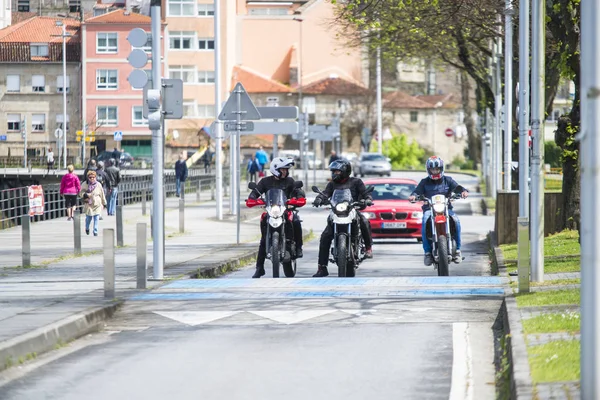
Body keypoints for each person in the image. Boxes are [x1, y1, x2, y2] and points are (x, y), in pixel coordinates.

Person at [312, 159, 374, 277]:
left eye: (337, 171)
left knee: (364, 221)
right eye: (333, 171)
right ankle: (322, 267)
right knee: (325, 237)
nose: (334, 174)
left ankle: (368, 248)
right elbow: (326, 193)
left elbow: (365, 193)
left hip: (352, 210)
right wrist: (319, 199)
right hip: (336, 212)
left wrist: (367, 199)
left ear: (345, 171)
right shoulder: (332, 184)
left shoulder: (356, 182)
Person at [247, 156, 305, 279]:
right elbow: (255, 193)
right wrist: (253, 199)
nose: (285, 171)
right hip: (271, 212)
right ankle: (259, 268)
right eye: (282, 169)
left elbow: (297, 191)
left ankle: (298, 247)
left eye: (286, 169)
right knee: (263, 239)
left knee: (295, 221)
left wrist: (299, 197)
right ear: (275, 169)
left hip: (285, 210)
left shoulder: (289, 181)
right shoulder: (265, 181)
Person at [408, 156, 469, 266]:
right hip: (430, 209)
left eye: (437, 169)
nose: (435, 171)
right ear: (428, 170)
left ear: (441, 169)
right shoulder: (424, 182)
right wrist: (413, 196)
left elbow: (458, 187)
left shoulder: (448, 180)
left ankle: (458, 250)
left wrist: (463, 191)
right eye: (432, 169)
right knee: (424, 221)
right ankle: (427, 252)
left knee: (456, 221)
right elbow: (417, 192)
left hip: (446, 209)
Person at [79, 170, 107, 236]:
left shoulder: (98, 184)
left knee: (96, 217)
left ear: (95, 177)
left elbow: (102, 194)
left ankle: (95, 231)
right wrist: (85, 194)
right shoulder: (85, 184)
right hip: (89, 203)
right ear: (88, 177)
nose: (92, 178)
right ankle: (87, 228)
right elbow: (81, 193)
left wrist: (104, 203)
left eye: (93, 177)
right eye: (90, 177)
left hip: (97, 203)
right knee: (88, 218)